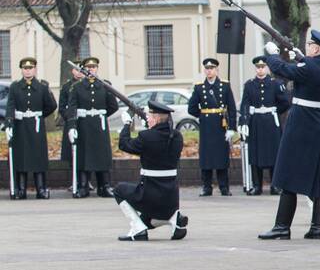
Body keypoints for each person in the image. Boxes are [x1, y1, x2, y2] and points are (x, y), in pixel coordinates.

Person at [257, 31, 320, 240]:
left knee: (287, 172)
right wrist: (302, 58)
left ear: (316, 49)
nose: (309, 46)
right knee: (319, 175)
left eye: (311, 45)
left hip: (301, 121)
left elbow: (281, 69)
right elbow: (309, 71)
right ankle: (316, 227)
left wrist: (272, 54)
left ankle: (282, 226)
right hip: (318, 120)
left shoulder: (310, 67)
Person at [114, 100, 187, 241]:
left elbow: (124, 144)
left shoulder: (146, 136)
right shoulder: (177, 136)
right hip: (171, 199)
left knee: (119, 190)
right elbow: (159, 138)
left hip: (149, 195)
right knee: (147, 221)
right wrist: (151, 129)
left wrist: (127, 124)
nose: (147, 117)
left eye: (149, 116)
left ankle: (137, 229)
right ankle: (174, 219)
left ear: (157, 118)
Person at [64, 57, 118, 198]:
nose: (91, 69)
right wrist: (72, 126)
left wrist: (100, 115)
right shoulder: (77, 87)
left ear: (97, 68)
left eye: (94, 67)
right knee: (84, 156)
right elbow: (72, 108)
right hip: (84, 124)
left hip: (99, 125)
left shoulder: (105, 85)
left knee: (102, 155)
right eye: (88, 67)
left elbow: (113, 106)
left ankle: (104, 186)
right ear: (84, 69)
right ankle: (83, 186)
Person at [5, 57, 57, 199]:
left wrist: (39, 115)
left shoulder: (41, 87)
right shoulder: (15, 87)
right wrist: (9, 123)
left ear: (34, 69)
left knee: (38, 157)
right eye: (25, 68)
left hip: (36, 127)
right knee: (21, 157)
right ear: (21, 70)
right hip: (20, 126)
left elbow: (51, 105)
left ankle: (41, 188)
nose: (27, 71)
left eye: (30, 68)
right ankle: (21, 189)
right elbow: (10, 106)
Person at [239, 56, 290, 195]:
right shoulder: (249, 85)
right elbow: (245, 103)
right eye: (258, 67)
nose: (260, 69)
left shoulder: (275, 83)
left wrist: (275, 110)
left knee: (274, 154)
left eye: (262, 67)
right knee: (255, 155)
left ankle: (275, 185)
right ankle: (257, 186)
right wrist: (243, 121)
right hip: (255, 122)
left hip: (271, 122)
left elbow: (285, 101)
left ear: (267, 68)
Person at [187, 58, 237, 196]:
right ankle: (207, 187)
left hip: (221, 125)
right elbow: (191, 108)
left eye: (212, 68)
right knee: (206, 157)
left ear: (216, 70)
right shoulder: (199, 87)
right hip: (207, 126)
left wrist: (232, 128)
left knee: (221, 156)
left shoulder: (225, 86)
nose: (209, 71)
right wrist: (202, 115)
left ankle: (224, 187)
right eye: (207, 69)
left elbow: (231, 108)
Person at [57, 63, 83, 184]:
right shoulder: (66, 86)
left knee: (84, 152)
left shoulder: (86, 85)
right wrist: (69, 117)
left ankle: (85, 181)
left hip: (84, 122)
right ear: (72, 71)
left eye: (81, 70)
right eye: (76, 70)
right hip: (71, 122)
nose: (79, 72)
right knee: (72, 153)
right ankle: (75, 180)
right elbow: (61, 106)